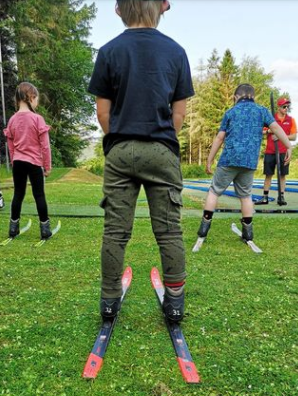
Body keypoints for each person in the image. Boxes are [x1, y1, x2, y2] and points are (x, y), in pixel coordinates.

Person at [88, 0, 194, 322]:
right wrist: (161, 140)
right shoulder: (176, 52)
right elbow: (179, 114)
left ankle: (109, 300)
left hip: (120, 149)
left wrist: (120, 139)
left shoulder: (108, 52)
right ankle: (174, 300)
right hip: (162, 149)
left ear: (118, 10)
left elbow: (102, 113)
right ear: (163, 7)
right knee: (169, 230)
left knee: (115, 231)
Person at [195, 84, 292, 246]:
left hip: (228, 160)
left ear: (236, 97)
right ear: (253, 97)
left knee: (214, 192)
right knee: (245, 196)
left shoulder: (230, 112)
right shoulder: (262, 111)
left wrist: (210, 159)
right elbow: (275, 128)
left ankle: (204, 228)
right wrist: (288, 145)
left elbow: (220, 138)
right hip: (249, 162)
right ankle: (248, 233)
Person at [4, 82, 53, 239]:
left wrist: (14, 162)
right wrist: (47, 166)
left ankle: (13, 228)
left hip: (18, 162)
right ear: (31, 97)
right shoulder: (37, 119)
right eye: (36, 98)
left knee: (18, 194)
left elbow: (11, 147)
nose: (37, 102)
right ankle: (45, 229)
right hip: (34, 163)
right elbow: (45, 146)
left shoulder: (12, 120)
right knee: (39, 195)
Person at [255, 97, 298, 206]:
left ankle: (281, 197)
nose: (286, 108)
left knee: (283, 175)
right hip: (270, 151)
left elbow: (293, 137)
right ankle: (265, 197)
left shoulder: (291, 120)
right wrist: (270, 130)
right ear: (278, 108)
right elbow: (260, 130)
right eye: (284, 106)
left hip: (283, 151)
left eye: (287, 106)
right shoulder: (270, 118)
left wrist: (281, 136)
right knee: (268, 175)